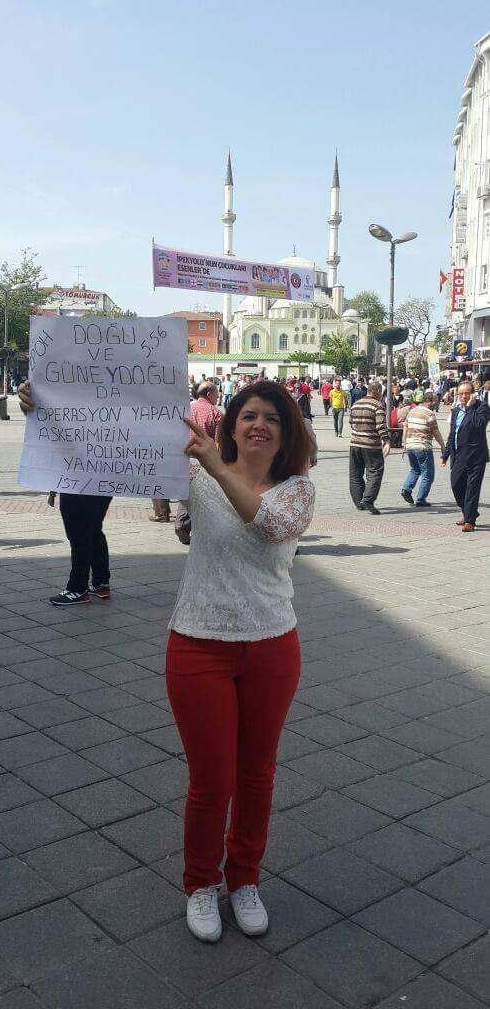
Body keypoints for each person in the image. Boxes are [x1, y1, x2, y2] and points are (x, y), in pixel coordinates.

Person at [168, 381, 315, 943]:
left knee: (256, 775)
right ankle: (202, 883)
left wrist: (213, 465)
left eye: (272, 418)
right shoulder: (196, 475)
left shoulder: (297, 490)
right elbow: (115, 458)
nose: (259, 425)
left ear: (286, 432)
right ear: (230, 425)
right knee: (211, 779)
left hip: (271, 646)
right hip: (198, 643)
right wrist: (50, 411)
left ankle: (245, 878)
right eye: (248, 415)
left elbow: (268, 524)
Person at [18, 381, 112, 603]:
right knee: (93, 527)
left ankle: (78, 587)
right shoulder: (97, 386)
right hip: (106, 467)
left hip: (77, 470)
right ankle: (101, 581)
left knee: (79, 530)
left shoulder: (68, 382)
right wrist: (32, 399)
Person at [441, 381, 489, 533]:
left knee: (472, 489)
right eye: (461, 394)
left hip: (476, 457)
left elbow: (479, 424)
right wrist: (445, 454)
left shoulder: (482, 407)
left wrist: (469, 407)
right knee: (456, 485)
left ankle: (469, 520)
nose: (463, 396)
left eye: (467, 393)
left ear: (473, 394)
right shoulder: (455, 410)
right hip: (458, 456)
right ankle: (469, 511)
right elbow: (452, 434)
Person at [348, 381, 391, 515]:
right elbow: (381, 426)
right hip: (371, 445)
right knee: (375, 471)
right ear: (377, 391)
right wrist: (386, 441)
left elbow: (351, 422)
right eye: (381, 392)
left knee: (355, 474)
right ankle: (368, 499)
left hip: (355, 443)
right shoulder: (377, 405)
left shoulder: (356, 404)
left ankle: (359, 502)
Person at [400, 390, 445, 507]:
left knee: (415, 469)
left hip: (410, 445)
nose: (437, 403)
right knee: (428, 474)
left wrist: (404, 442)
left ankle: (406, 489)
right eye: (435, 401)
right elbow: (436, 432)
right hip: (423, 446)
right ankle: (421, 499)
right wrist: (442, 445)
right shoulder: (429, 414)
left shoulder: (412, 411)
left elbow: (405, 426)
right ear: (429, 401)